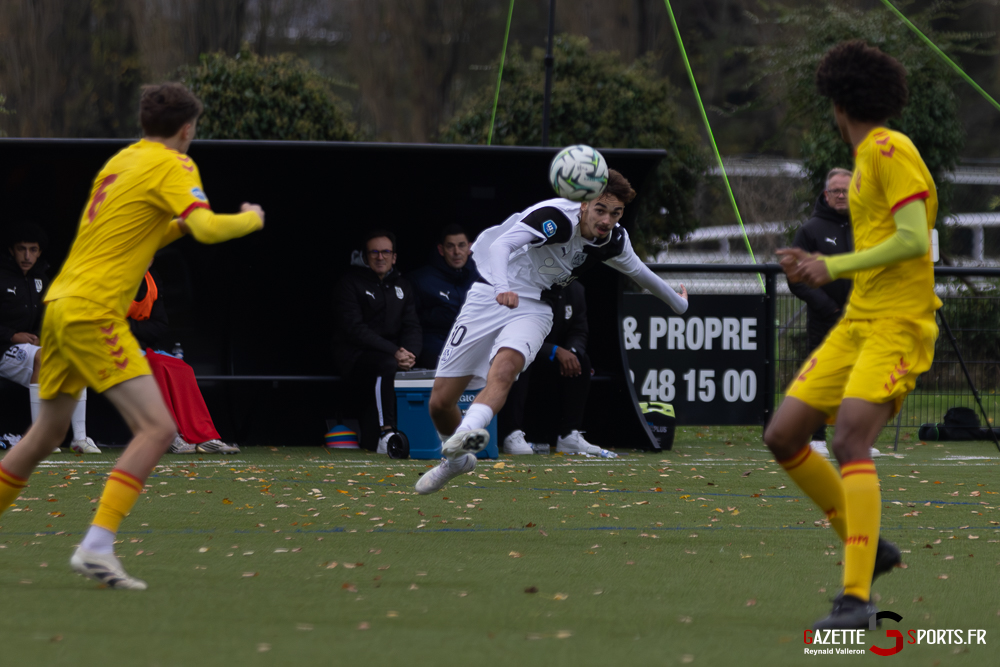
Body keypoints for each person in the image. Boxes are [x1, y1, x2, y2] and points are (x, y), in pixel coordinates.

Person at [0, 82, 264, 590]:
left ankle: (94, 546)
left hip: (58, 306)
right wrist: (249, 220)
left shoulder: (121, 162)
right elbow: (207, 229)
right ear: (187, 129)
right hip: (94, 311)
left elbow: (139, 231)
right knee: (158, 429)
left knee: (44, 436)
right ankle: (96, 546)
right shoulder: (176, 165)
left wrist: (177, 227)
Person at [768, 40, 940, 629]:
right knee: (785, 434)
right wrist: (817, 265)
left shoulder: (890, 148)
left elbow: (916, 239)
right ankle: (872, 545)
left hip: (897, 325)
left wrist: (830, 266)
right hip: (857, 322)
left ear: (840, 102)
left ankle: (856, 599)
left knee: (847, 443)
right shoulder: (866, 157)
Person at [415, 169, 688, 494]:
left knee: (505, 369)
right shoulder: (555, 217)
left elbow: (643, 275)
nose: (607, 220)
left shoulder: (613, 241)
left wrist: (680, 305)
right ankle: (457, 460)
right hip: (491, 289)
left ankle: (469, 431)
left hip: (536, 306)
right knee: (440, 403)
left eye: (616, 213)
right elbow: (501, 246)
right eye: (601, 209)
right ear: (584, 204)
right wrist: (503, 287)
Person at [789, 169, 879, 458]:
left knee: (860, 378)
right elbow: (796, 278)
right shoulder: (810, 230)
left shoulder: (869, 226)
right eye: (836, 191)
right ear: (826, 195)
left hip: (863, 318)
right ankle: (816, 438)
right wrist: (828, 307)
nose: (841, 195)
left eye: (846, 190)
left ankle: (857, 438)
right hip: (825, 320)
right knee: (821, 376)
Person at [0, 222, 100, 454]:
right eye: (21, 249)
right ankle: (40, 438)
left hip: (29, 352)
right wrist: (12, 335)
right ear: (11, 250)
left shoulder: (41, 280)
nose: (27, 255)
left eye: (33, 250)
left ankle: (80, 439)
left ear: (40, 252)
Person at [127, 268, 240, 455]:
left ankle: (203, 436)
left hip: (138, 347)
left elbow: (159, 326)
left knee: (182, 368)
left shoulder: (152, 278)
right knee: (156, 365)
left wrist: (129, 326)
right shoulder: (110, 275)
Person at [332, 230, 422, 453]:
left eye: (385, 252)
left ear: (394, 257)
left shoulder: (403, 285)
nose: (380, 257)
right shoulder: (350, 283)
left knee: (428, 364)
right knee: (387, 365)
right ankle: (386, 433)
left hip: (393, 355)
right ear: (365, 256)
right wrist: (395, 352)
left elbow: (412, 325)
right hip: (356, 356)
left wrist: (410, 354)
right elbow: (355, 330)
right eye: (374, 252)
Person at [499, 281, 604, 455]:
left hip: (551, 361)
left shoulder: (576, 289)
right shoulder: (527, 285)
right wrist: (554, 350)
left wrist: (572, 351)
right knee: (520, 356)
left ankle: (569, 436)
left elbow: (579, 330)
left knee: (581, 361)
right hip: (523, 349)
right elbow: (515, 332)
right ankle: (511, 433)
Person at [408, 224, 479, 369]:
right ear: (441, 250)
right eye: (450, 246)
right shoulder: (421, 280)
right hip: (436, 342)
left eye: (461, 245)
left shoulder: (483, 276)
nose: (456, 252)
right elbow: (411, 321)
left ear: (470, 248)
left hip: (474, 339)